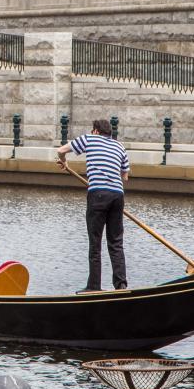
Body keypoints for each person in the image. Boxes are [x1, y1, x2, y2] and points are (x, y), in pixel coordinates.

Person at [56, 118, 130, 292]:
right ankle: (121, 285)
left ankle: (94, 286)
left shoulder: (89, 139)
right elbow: (125, 176)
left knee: (95, 242)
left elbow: (61, 150)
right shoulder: (119, 146)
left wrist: (65, 162)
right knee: (116, 242)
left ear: (96, 131)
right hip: (118, 195)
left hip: (98, 195)